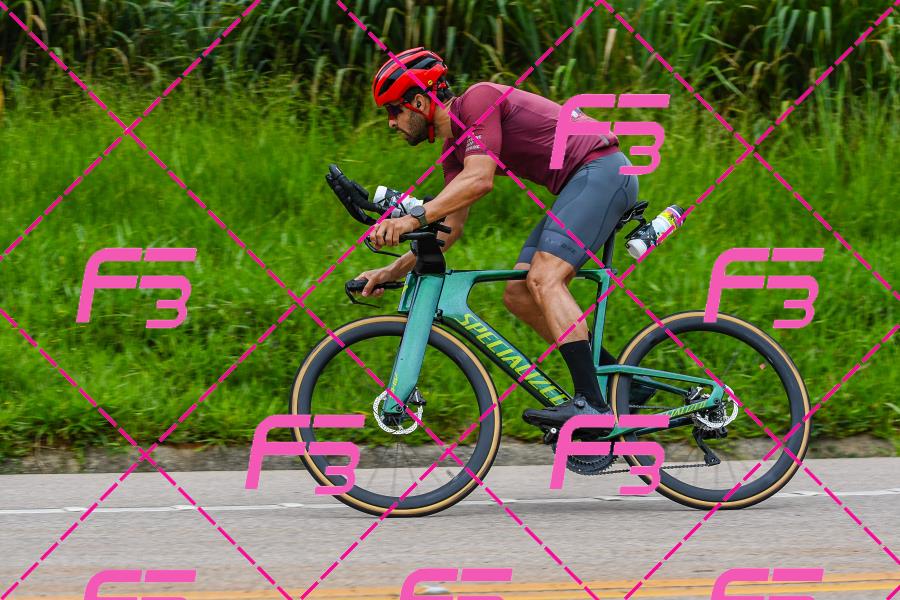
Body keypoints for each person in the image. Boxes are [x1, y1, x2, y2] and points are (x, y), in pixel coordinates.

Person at [356, 47, 639, 433]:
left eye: (394, 110)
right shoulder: (454, 152)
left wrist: (410, 218)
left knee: (545, 278)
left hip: (602, 171)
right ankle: (622, 383)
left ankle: (591, 404)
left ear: (419, 102)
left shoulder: (479, 99)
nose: (391, 123)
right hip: (582, 182)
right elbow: (449, 230)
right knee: (519, 293)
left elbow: (480, 179)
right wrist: (390, 271)